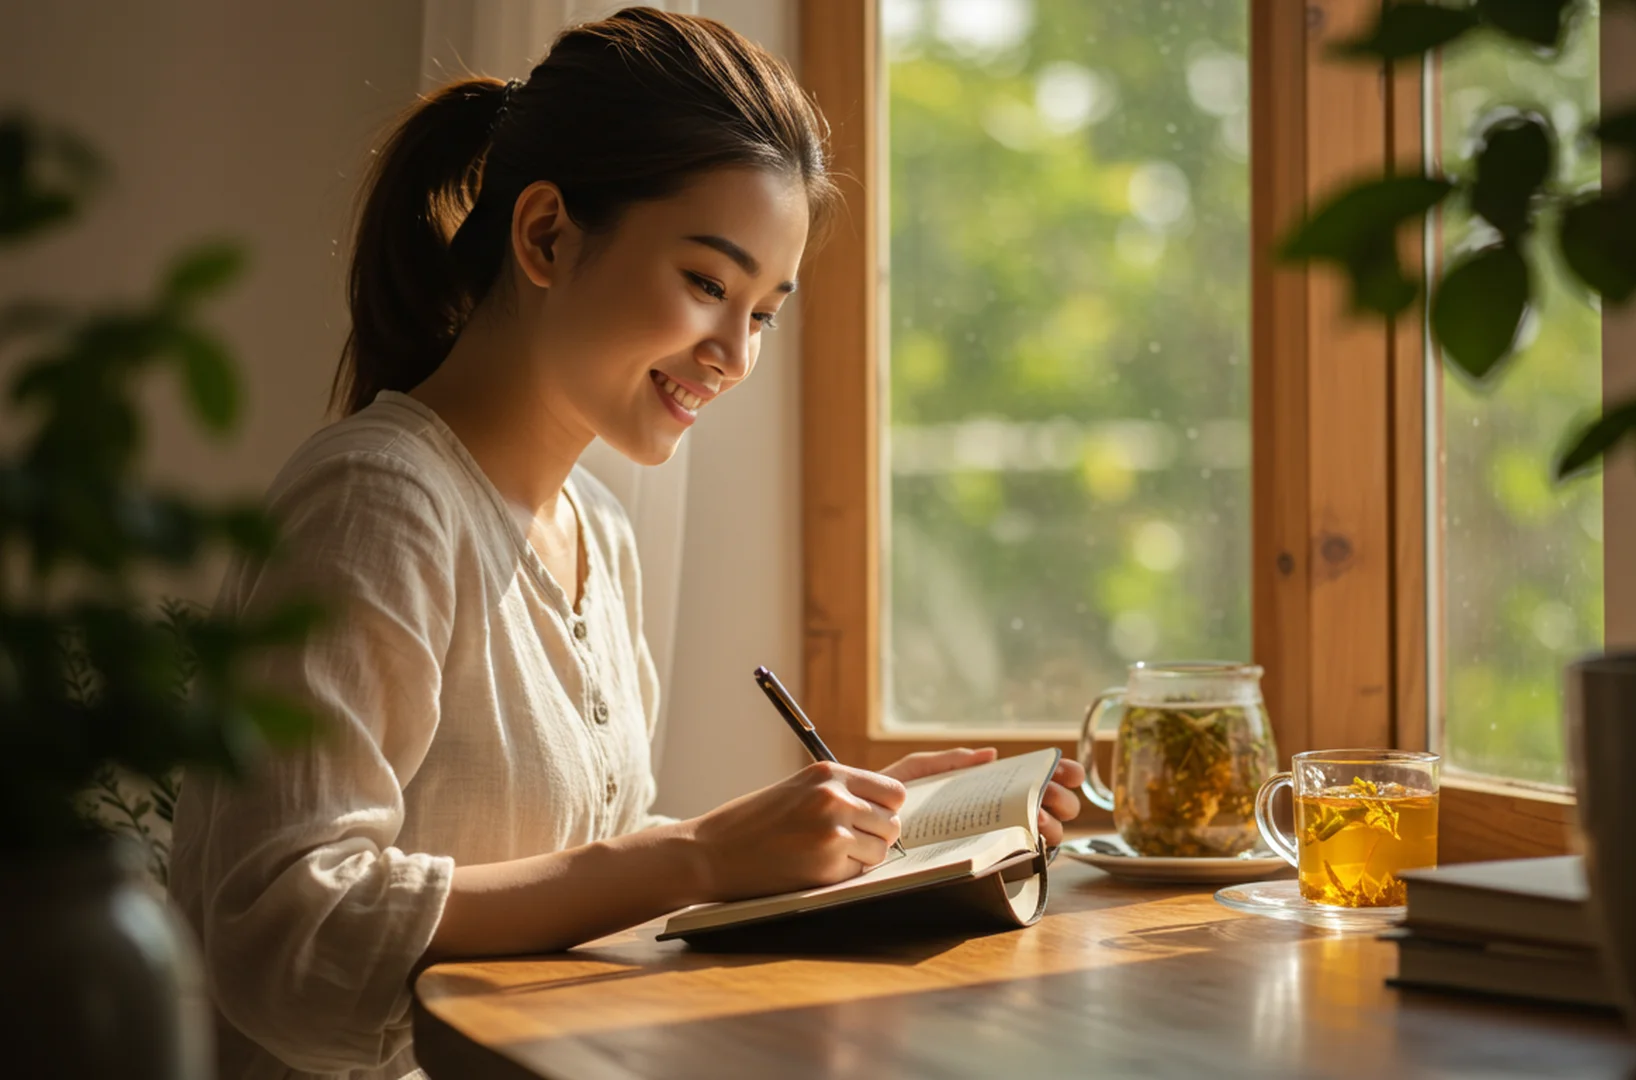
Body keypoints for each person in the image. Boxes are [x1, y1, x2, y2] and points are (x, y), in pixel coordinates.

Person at [166, 9, 1084, 1079]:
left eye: (765, 312)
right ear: (547, 235)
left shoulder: (597, 528)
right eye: (707, 284)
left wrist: (840, 839)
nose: (734, 355)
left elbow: (558, 863)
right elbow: (283, 934)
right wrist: (693, 856)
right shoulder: (380, 503)